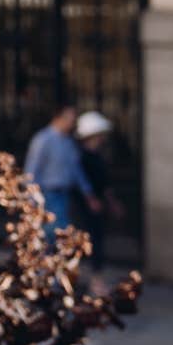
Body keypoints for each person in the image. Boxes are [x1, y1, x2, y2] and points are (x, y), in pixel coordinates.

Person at [23, 105, 100, 241]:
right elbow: (31, 170)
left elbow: (76, 170)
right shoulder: (43, 139)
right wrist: (31, 199)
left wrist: (88, 193)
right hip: (47, 194)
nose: (72, 123)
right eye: (70, 119)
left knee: (62, 234)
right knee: (50, 234)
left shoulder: (68, 142)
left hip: (65, 194)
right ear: (58, 118)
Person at [75, 110, 118, 272]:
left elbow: (104, 182)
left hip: (96, 202)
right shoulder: (81, 156)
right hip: (85, 204)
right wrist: (90, 198)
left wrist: (110, 201)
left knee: (96, 239)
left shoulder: (97, 155)